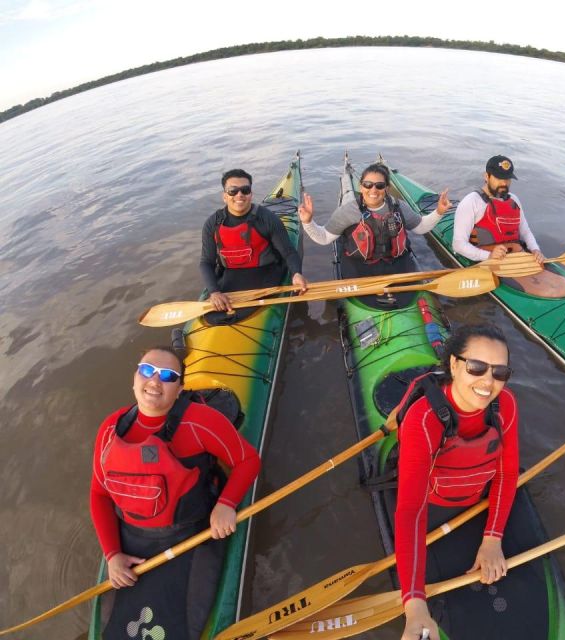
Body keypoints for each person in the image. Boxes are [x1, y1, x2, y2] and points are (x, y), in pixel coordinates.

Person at [90, 347, 261, 638]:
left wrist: (226, 504)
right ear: (134, 379)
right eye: (147, 371)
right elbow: (99, 495)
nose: (155, 381)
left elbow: (248, 461)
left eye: (168, 376)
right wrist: (113, 554)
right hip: (131, 538)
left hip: (190, 534)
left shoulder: (200, 422)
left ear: (179, 389)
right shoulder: (110, 428)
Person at [393, 324, 519, 640]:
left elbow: (506, 473)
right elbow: (411, 512)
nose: (488, 381)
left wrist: (492, 538)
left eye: (500, 372)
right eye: (476, 367)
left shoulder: (506, 405)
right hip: (434, 503)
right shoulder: (423, 419)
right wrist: (415, 606)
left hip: (478, 497)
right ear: (453, 364)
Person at [298, 163, 451, 278]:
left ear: (387, 188)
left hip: (396, 263)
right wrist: (308, 222)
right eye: (367, 185)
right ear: (361, 186)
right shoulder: (348, 211)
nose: (373, 190)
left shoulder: (399, 207)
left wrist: (439, 212)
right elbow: (324, 237)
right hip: (359, 266)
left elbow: (421, 227)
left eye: (379, 185)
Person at [452, 155, 565, 297]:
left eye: (507, 179)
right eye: (499, 178)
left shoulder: (514, 200)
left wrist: (535, 250)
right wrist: (489, 256)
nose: (504, 183)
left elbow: (525, 231)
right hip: (487, 259)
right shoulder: (471, 202)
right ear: (486, 176)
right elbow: (458, 245)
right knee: (548, 291)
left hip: (516, 255)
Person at [200, 169, 307, 313]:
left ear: (251, 194)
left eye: (245, 190)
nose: (239, 195)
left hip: (266, 274)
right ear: (224, 196)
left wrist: (296, 273)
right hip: (231, 275)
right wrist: (214, 292)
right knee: (213, 316)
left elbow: (288, 252)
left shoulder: (267, 219)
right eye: (233, 190)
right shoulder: (212, 224)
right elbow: (206, 262)